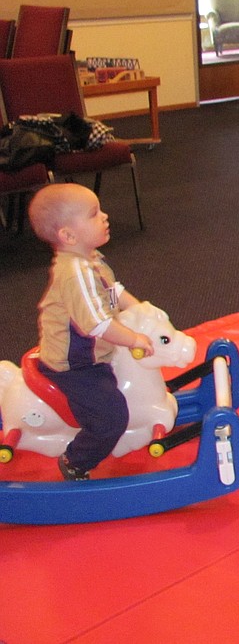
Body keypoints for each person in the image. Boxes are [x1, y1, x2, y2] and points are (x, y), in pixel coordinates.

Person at [28, 183, 154, 481]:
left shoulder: (91, 259)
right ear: (68, 236)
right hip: (76, 366)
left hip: (97, 352)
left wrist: (140, 312)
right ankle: (75, 461)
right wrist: (134, 338)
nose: (106, 216)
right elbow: (96, 324)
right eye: (94, 214)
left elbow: (114, 291)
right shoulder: (75, 274)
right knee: (111, 417)